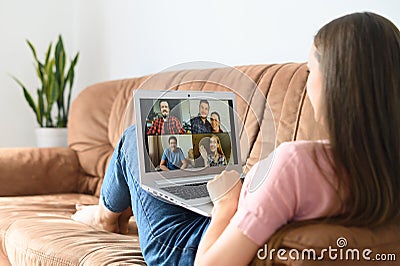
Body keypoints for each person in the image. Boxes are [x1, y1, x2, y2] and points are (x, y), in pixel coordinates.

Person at [72, 12, 400, 265]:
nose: (307, 79)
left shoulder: (297, 162)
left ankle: (103, 216)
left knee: (135, 138)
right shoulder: (383, 165)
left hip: (194, 244)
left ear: (334, 84)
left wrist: (228, 203)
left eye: (311, 70)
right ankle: (109, 209)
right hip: (234, 211)